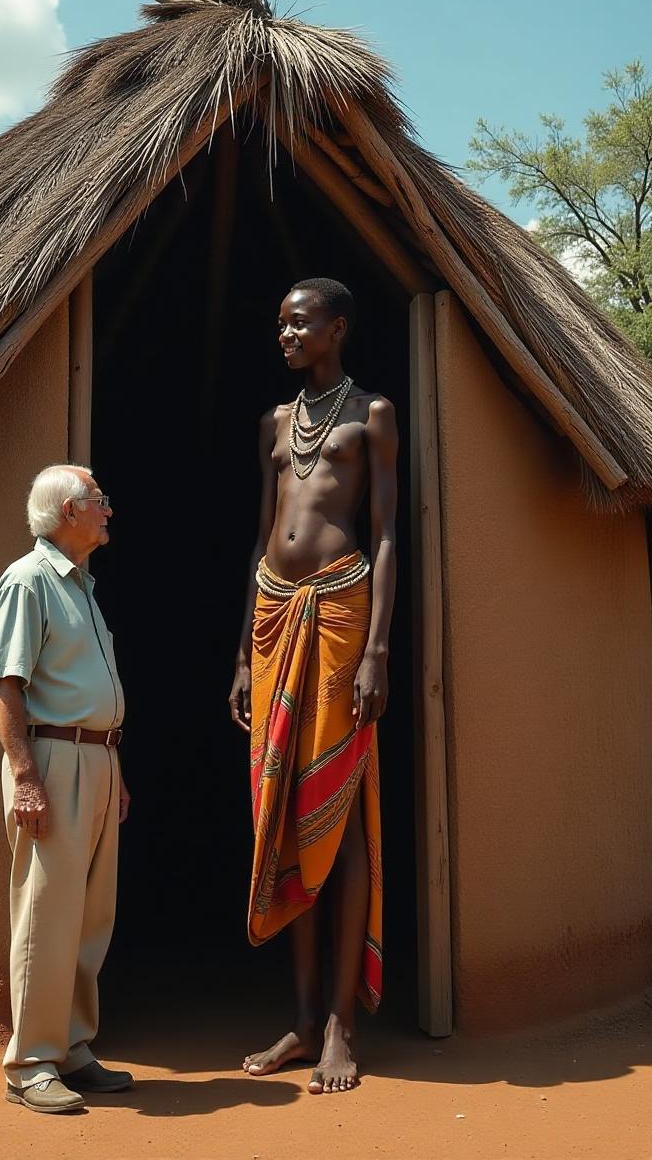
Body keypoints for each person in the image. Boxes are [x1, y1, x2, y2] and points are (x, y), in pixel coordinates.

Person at [229, 278, 397, 1095]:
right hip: (272, 612)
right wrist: (239, 655)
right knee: (285, 807)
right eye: (281, 322)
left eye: (300, 323)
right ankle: (300, 1017)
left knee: (342, 804)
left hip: (340, 610)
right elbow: (263, 533)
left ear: (337, 327)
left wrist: (379, 651)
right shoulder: (272, 422)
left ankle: (340, 1022)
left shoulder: (373, 415)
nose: (286, 334)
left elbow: (391, 531)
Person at [0, 463, 132, 1114]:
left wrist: (115, 771)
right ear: (68, 511)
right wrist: (25, 777)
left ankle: (71, 1047)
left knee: (88, 915)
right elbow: (5, 683)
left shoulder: (82, 587)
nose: (107, 508)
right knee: (46, 915)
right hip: (51, 762)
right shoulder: (28, 581)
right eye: (97, 499)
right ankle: (30, 1064)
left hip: (96, 762)